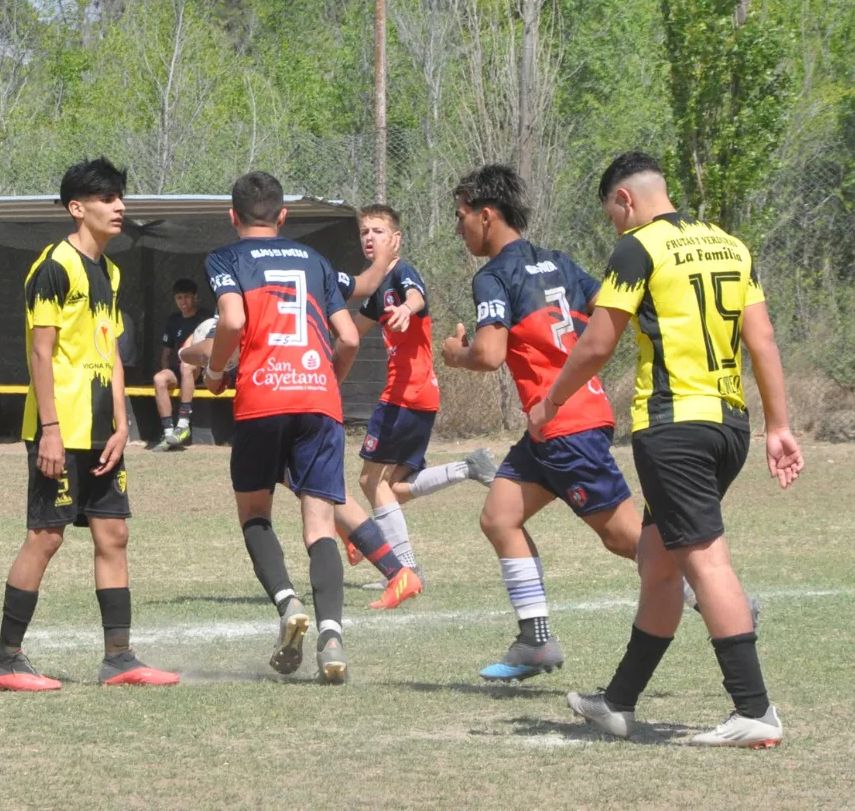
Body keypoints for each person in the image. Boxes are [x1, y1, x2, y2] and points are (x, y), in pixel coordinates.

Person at [552, 151, 802, 747]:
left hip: (673, 428)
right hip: (728, 426)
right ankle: (618, 703)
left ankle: (754, 711)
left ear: (625, 200)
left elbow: (596, 343)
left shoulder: (639, 247)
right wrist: (779, 424)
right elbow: (761, 338)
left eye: (612, 214)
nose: (615, 226)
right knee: (658, 561)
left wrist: (548, 403)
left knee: (706, 562)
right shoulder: (731, 246)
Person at [440, 164, 649, 683]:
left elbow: (489, 355)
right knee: (499, 516)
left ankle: (714, 595)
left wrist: (456, 354)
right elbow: (609, 310)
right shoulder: (560, 263)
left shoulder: (493, 275)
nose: (460, 227)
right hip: (558, 425)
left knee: (626, 538)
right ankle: (535, 641)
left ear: (487, 215)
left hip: (563, 424)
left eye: (462, 216)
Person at [0, 157, 178, 692]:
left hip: (101, 432)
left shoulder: (110, 273)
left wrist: (122, 425)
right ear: (78, 208)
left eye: (121, 198)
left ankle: (119, 658)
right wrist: (49, 429)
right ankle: (6, 658)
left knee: (113, 535)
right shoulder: (53, 267)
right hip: (59, 429)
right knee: (45, 537)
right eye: (107, 199)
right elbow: (40, 355)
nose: (120, 207)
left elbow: (110, 354)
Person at [203, 171, 362, 683]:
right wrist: (326, 384)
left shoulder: (226, 259)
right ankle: (332, 639)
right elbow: (349, 338)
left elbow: (230, 321)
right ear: (283, 217)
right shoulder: (315, 261)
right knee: (320, 528)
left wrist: (212, 372)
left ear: (233, 216)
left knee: (255, 517)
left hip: (262, 397)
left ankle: (288, 601)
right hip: (318, 400)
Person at [343, 204, 498, 599]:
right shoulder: (376, 287)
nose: (369, 237)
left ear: (395, 240)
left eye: (378, 231)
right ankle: (468, 467)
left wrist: (407, 310)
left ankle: (405, 570)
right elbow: (352, 331)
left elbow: (415, 296)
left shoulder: (401, 272)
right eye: (365, 231)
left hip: (405, 393)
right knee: (394, 489)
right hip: (420, 394)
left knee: (368, 481)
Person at [150, 278, 212, 451]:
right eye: (179, 298)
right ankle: (169, 433)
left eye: (186, 297)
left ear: (195, 297)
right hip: (183, 370)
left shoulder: (205, 317)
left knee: (186, 365)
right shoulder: (173, 320)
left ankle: (183, 423)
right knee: (159, 379)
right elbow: (166, 352)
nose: (183, 302)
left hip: (202, 368)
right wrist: (166, 370)